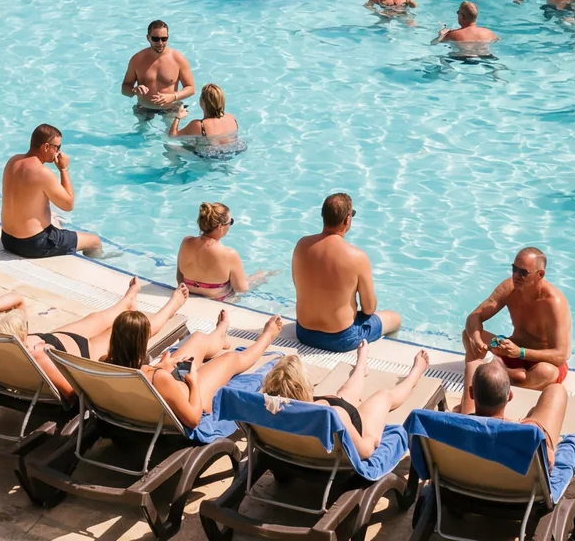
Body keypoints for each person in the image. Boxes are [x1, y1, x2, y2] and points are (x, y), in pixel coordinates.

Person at [109, 308, 286, 432]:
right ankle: (267, 336)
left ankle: (219, 333)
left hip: (169, 387)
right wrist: (193, 381)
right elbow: (193, 421)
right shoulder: (158, 378)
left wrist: (161, 367)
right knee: (231, 359)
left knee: (198, 339)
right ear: (140, 343)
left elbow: (144, 378)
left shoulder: (107, 364)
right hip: (193, 396)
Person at [259, 346, 431, 460]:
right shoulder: (331, 414)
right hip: (345, 442)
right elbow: (365, 451)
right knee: (384, 396)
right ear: (304, 389)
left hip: (300, 446)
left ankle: (361, 366)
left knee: (342, 396)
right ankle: (415, 374)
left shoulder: (267, 410)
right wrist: (373, 438)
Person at [291, 191, 402, 350]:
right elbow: (369, 308)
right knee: (395, 318)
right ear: (347, 219)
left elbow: (298, 285)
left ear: (323, 216)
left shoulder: (302, 245)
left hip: (303, 333)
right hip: (341, 339)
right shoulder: (357, 257)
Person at [462, 247, 573, 391]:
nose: (516, 275)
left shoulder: (554, 302)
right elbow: (475, 316)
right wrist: (476, 340)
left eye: (523, 272)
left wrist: (520, 352)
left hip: (541, 360)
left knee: (547, 372)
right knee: (468, 334)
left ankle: (497, 375)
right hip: (511, 351)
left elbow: (561, 355)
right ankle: (504, 376)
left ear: (540, 275)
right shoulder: (509, 288)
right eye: (514, 269)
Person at [0, 122, 101, 256]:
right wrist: (63, 169)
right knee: (95, 241)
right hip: (33, 245)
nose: (58, 152)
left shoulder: (13, 161)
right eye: (57, 147)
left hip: (8, 240)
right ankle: (97, 263)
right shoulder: (43, 173)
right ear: (46, 147)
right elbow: (68, 204)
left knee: (53, 217)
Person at [465, 352, 568, 447]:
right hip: (522, 456)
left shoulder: (454, 426)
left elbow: (472, 365)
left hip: (469, 444)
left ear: (471, 393)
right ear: (509, 396)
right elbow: (549, 461)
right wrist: (530, 423)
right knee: (557, 390)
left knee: (473, 365)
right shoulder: (529, 436)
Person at [177, 202, 267, 299]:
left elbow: (179, 278)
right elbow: (241, 289)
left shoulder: (186, 242)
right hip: (219, 299)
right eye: (230, 222)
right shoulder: (229, 254)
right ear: (220, 227)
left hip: (189, 292)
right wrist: (255, 278)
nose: (230, 226)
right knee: (261, 276)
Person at [121, 19, 195, 112]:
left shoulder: (178, 59)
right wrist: (134, 91)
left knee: (174, 127)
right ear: (148, 38)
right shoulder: (137, 60)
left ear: (168, 37)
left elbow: (191, 88)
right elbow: (124, 89)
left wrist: (173, 96)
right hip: (144, 108)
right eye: (155, 39)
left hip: (170, 108)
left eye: (164, 39)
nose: (160, 43)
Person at [168, 83, 239, 145]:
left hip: (208, 157)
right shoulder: (231, 118)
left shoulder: (199, 125)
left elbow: (172, 136)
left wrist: (178, 117)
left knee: (171, 146)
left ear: (203, 103)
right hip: (235, 150)